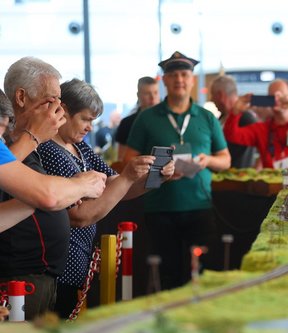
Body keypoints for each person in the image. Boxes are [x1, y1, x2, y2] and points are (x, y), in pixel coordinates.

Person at [37, 78, 173, 318]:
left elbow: (117, 187)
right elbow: (79, 216)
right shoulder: (48, 151)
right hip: (59, 265)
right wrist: (128, 177)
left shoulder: (80, 148)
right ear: (63, 111)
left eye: (93, 121)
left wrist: (155, 178)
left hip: (78, 261)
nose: (90, 127)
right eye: (85, 119)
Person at [0, 57, 107, 319]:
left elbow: (41, 196)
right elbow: (47, 195)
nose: (58, 110)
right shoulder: (27, 141)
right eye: (51, 100)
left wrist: (65, 192)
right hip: (18, 276)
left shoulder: (32, 142)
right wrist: (76, 186)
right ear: (22, 97)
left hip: (40, 276)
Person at [123, 51, 231, 290]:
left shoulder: (207, 117)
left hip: (200, 207)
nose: (179, 79)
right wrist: (159, 171)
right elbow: (128, 160)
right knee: (166, 277)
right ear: (164, 80)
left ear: (192, 80)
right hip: (159, 209)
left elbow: (225, 160)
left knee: (201, 276)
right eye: (173, 75)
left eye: (184, 74)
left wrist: (207, 160)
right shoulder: (147, 118)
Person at [223, 78, 288, 173]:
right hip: (274, 185)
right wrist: (235, 112)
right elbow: (231, 135)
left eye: (281, 96)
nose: (277, 100)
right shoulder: (262, 129)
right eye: (272, 97)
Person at [209, 74, 258, 168]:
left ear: (221, 95)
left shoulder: (246, 118)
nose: (211, 99)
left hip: (239, 175)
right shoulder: (220, 119)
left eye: (212, 95)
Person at [115, 76, 160, 161]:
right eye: (147, 93)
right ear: (138, 95)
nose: (152, 97)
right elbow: (121, 159)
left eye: (155, 93)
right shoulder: (126, 123)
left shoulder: (166, 120)